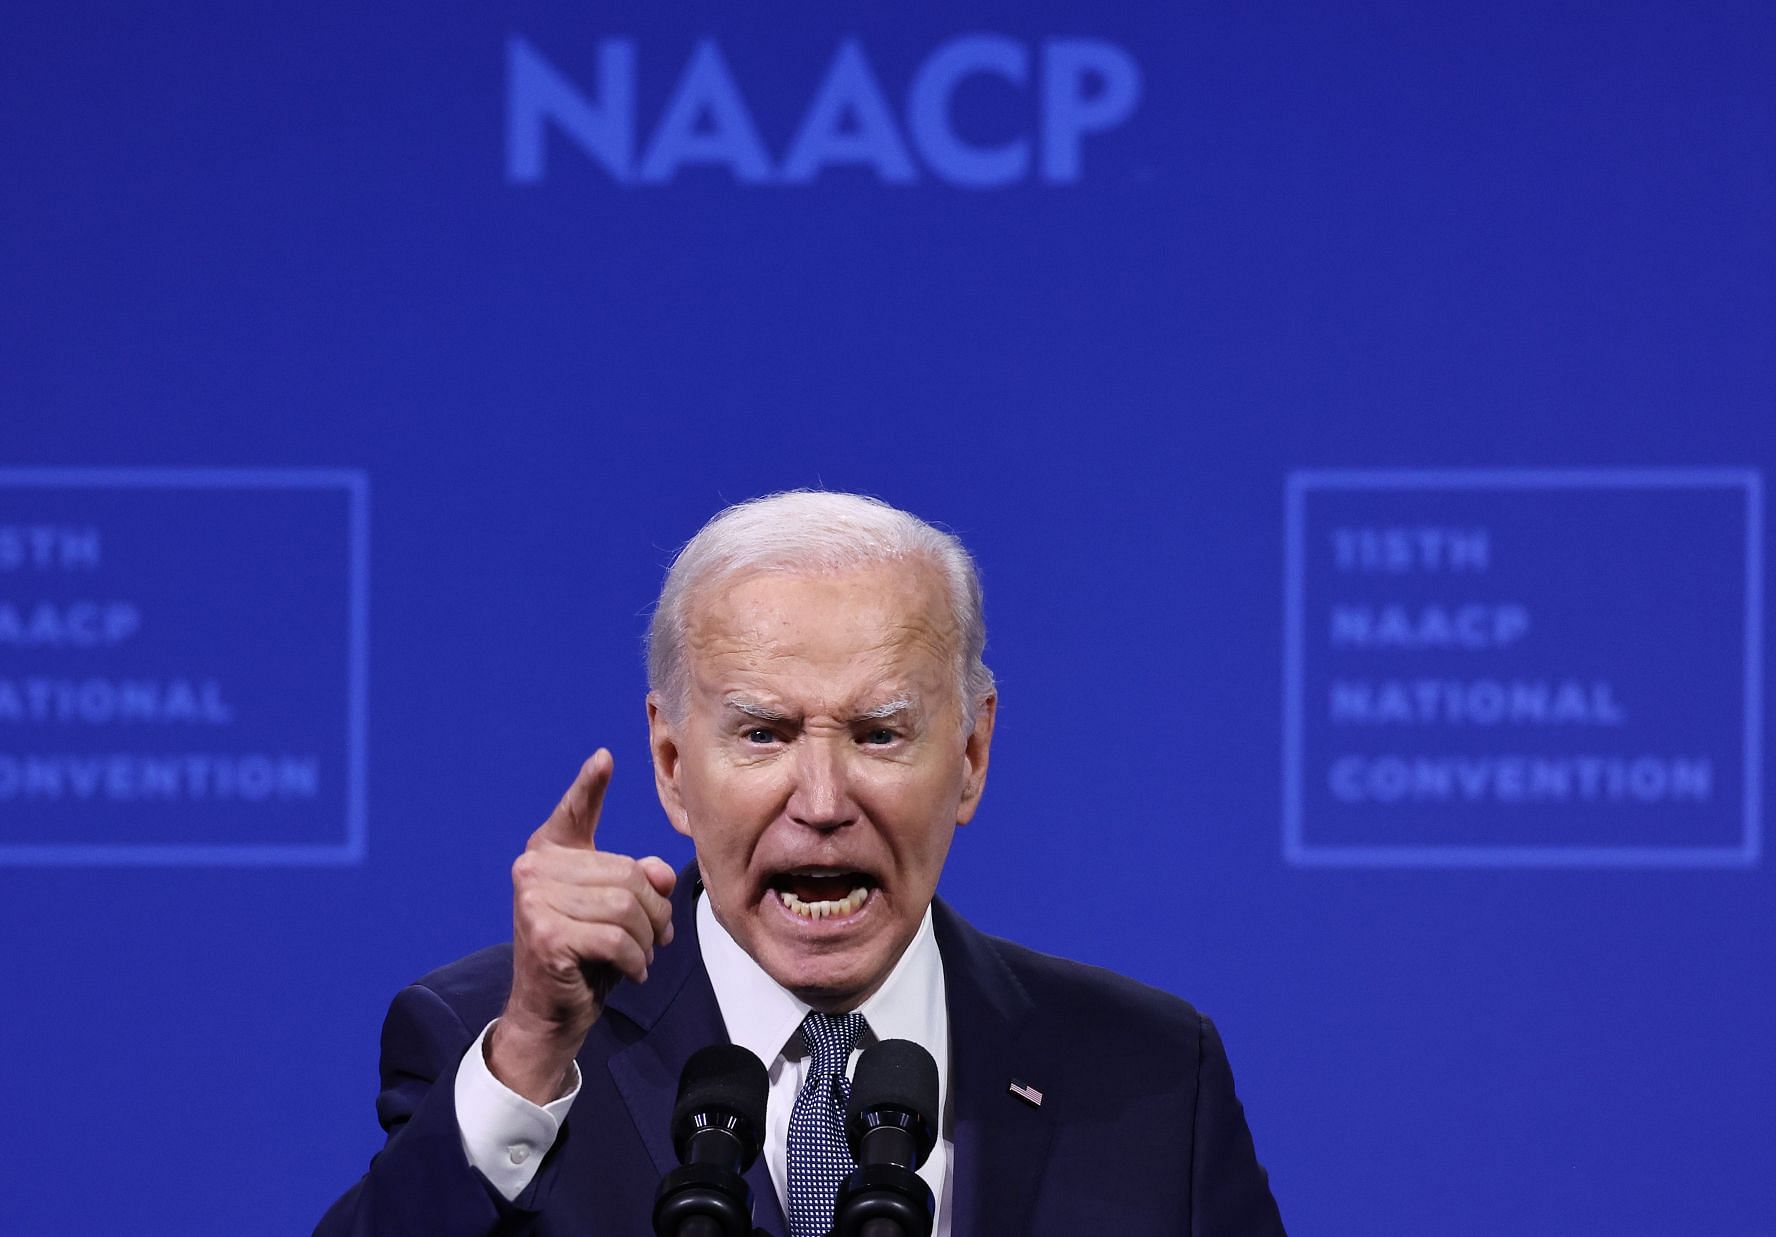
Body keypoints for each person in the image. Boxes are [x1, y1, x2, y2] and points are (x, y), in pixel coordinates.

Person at [317, 491, 1286, 1236]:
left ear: (973, 755)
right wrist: (528, 1051)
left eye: (877, 732)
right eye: (765, 733)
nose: (821, 801)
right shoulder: (497, 1045)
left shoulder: (1152, 1072)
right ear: (671, 766)